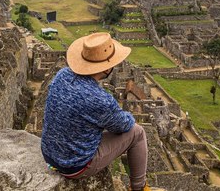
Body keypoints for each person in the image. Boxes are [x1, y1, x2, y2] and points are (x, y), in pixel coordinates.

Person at [41, 32, 150, 191]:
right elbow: (124, 126)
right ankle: (139, 187)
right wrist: (124, 114)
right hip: (74, 165)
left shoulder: (62, 75)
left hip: (49, 154)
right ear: (107, 68)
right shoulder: (99, 99)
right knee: (138, 133)